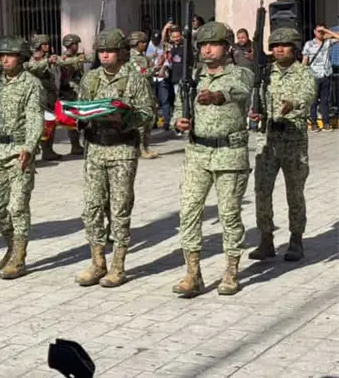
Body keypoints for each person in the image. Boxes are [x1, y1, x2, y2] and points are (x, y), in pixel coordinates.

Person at [172, 21, 251, 298]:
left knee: (229, 215)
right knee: (189, 212)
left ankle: (231, 271)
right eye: (203, 44)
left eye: (213, 43)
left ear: (226, 47)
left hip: (229, 154)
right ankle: (193, 273)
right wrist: (177, 122)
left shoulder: (239, 74)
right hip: (197, 154)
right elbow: (179, 107)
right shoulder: (193, 77)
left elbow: (243, 91)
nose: (207, 49)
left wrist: (219, 96)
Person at [74, 28, 154, 289]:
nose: (105, 55)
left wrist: (124, 118)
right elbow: (81, 107)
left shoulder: (134, 78)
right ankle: (97, 262)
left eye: (109, 51)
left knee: (119, 209)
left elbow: (146, 112)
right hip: (95, 149)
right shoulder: (91, 78)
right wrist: (78, 120)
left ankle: (118, 265)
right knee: (93, 208)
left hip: (122, 150)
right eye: (101, 51)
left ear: (121, 52)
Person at [248, 27, 316, 262]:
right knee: (262, 191)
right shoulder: (265, 73)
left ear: (294, 48)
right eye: (275, 45)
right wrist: (254, 111)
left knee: (294, 192)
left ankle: (296, 240)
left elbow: (306, 97)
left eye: (284, 45)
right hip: (267, 140)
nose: (279, 49)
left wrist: (292, 104)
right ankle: (266, 239)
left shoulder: (304, 73)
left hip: (293, 141)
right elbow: (256, 100)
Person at [0, 36, 43, 279]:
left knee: (17, 207)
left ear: (21, 58)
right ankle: (11, 244)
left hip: (19, 151)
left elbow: (35, 116)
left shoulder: (31, 83)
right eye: (1, 56)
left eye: (10, 55)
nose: (5, 59)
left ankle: (19, 257)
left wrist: (30, 146)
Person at [25, 34, 62, 162]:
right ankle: (32, 151)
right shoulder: (32, 61)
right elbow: (32, 68)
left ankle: (48, 150)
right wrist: (47, 61)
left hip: (50, 96)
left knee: (50, 124)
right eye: (44, 44)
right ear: (38, 46)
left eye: (47, 44)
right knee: (38, 124)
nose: (47, 46)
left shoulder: (48, 58)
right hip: (39, 97)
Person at [128, 31, 159, 159]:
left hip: (147, 91)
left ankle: (146, 146)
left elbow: (146, 61)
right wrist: (155, 69)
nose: (145, 45)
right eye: (143, 42)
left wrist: (153, 59)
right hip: (139, 93)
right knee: (142, 121)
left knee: (150, 120)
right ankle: (140, 148)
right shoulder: (132, 58)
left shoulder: (142, 56)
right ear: (136, 43)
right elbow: (142, 73)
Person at [301, 25, 339, 131]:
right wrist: (302, 74)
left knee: (325, 101)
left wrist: (327, 31)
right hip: (314, 75)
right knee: (313, 101)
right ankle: (314, 123)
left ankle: (326, 122)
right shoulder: (309, 44)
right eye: (319, 31)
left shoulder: (327, 42)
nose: (320, 33)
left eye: (322, 32)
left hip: (325, 74)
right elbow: (305, 60)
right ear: (314, 32)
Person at [58, 34, 87, 156]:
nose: (78, 46)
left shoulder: (77, 56)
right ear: (72, 45)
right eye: (76, 44)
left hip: (78, 90)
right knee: (72, 120)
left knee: (82, 119)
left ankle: (81, 144)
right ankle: (75, 145)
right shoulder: (65, 58)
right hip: (70, 91)